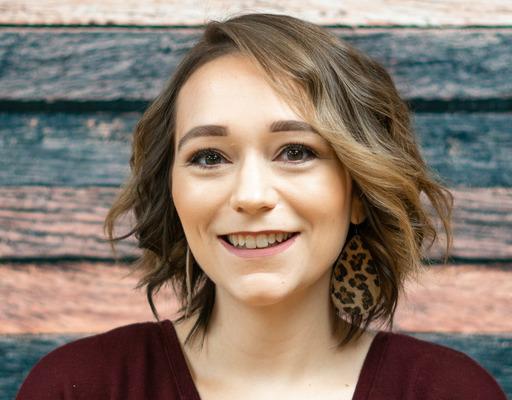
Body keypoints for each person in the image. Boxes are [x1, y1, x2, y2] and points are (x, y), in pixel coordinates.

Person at [16, 12, 506, 400]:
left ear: (358, 191)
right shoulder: (78, 387)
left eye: (295, 152)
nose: (250, 195)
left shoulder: (450, 392)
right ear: (173, 192)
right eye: (209, 157)